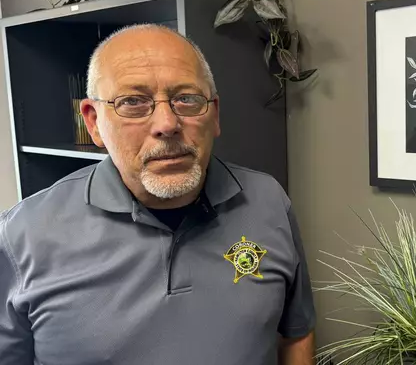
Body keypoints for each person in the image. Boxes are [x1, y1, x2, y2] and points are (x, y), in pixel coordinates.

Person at [0, 24, 315, 364]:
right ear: (93, 123)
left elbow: (296, 333)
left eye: (187, 99)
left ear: (215, 114)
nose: (167, 123)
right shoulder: (22, 236)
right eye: (133, 102)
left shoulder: (268, 201)